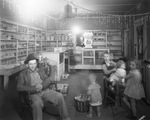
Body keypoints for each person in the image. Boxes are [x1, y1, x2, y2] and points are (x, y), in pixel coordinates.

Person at [17, 54, 71, 120]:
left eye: (34, 63)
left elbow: (47, 79)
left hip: (44, 90)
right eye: (31, 64)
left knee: (59, 96)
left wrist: (42, 86)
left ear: (36, 63)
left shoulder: (40, 70)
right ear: (27, 65)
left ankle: (66, 118)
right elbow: (19, 87)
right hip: (33, 94)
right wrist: (34, 88)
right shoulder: (23, 74)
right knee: (37, 103)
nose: (33, 66)